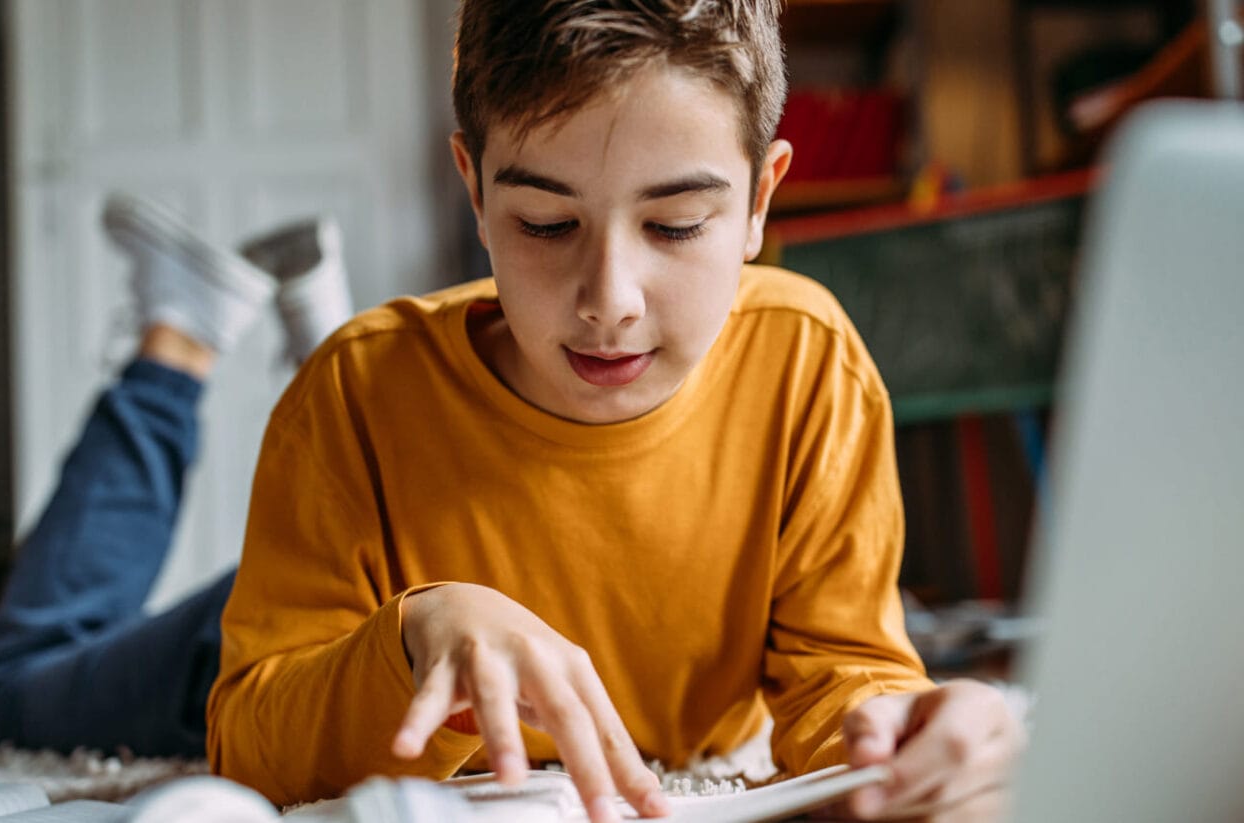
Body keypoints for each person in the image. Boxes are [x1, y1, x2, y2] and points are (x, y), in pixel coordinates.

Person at [205, 2, 1023, 823]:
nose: (610, 301)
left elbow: (842, 670)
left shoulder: (808, 363)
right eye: (547, 224)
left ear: (759, 202)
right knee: (78, 669)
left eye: (674, 226)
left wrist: (897, 733)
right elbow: (246, 744)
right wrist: (418, 641)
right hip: (323, 630)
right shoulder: (349, 391)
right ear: (475, 193)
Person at [0, 194, 351, 759]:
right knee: (47, 656)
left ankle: (323, 375)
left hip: (341, 625)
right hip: (370, 614)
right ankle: (339, 388)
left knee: (12, 684)